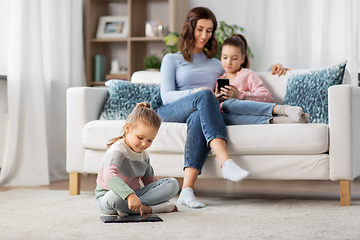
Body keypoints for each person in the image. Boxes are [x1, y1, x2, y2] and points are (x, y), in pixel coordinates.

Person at [158, 7, 292, 209]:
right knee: (203, 96)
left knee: (197, 116)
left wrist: (271, 70)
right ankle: (225, 162)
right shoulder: (172, 59)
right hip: (171, 111)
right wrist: (196, 92)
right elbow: (166, 96)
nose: (205, 35)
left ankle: (186, 191)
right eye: (200, 29)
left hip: (197, 111)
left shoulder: (216, 64)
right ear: (190, 28)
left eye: (209, 30)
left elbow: (239, 74)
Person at [95, 102, 179, 216]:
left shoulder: (144, 156)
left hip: (135, 196)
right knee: (114, 198)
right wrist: (130, 195)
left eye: (150, 140)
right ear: (128, 128)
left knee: (173, 184)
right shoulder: (117, 150)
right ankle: (150, 209)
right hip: (108, 197)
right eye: (140, 137)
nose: (144, 144)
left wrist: (160, 195)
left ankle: (131, 208)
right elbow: (109, 176)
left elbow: (151, 184)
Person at [216, 34, 310, 125]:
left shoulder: (247, 74)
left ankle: (284, 109)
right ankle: (283, 120)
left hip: (246, 111)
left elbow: (268, 97)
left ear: (242, 59)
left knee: (229, 104)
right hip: (230, 117)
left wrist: (240, 95)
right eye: (224, 57)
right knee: (224, 112)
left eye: (234, 58)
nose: (228, 62)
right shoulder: (218, 80)